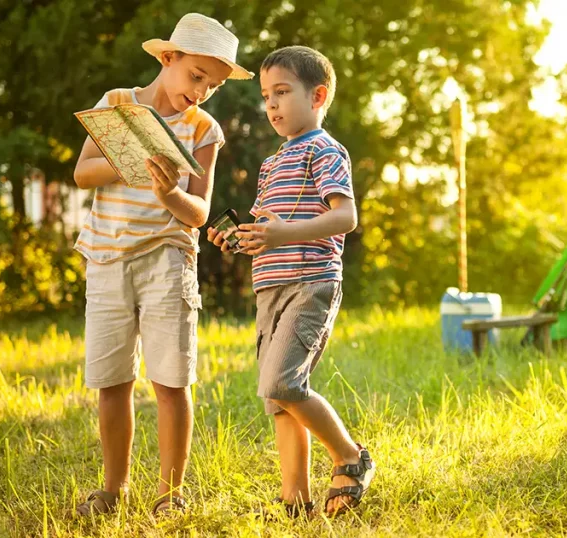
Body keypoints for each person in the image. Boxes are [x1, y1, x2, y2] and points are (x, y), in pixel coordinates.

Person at [70, 12, 252, 517]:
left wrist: (168, 189)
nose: (202, 92)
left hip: (167, 262)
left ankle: (170, 495)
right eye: (197, 76)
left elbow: (197, 213)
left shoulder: (203, 129)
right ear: (168, 58)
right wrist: (131, 162)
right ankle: (112, 489)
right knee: (112, 382)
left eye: (213, 85)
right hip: (106, 257)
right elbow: (83, 173)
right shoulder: (118, 105)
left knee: (171, 382)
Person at [207, 45, 374, 519]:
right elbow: (268, 231)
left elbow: (345, 217)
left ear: (317, 95)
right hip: (271, 286)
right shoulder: (271, 162)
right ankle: (294, 501)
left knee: (283, 382)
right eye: (266, 95)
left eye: (282, 92)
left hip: (311, 283)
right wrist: (241, 239)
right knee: (278, 399)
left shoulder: (324, 150)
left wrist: (283, 232)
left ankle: (348, 455)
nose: (271, 105)